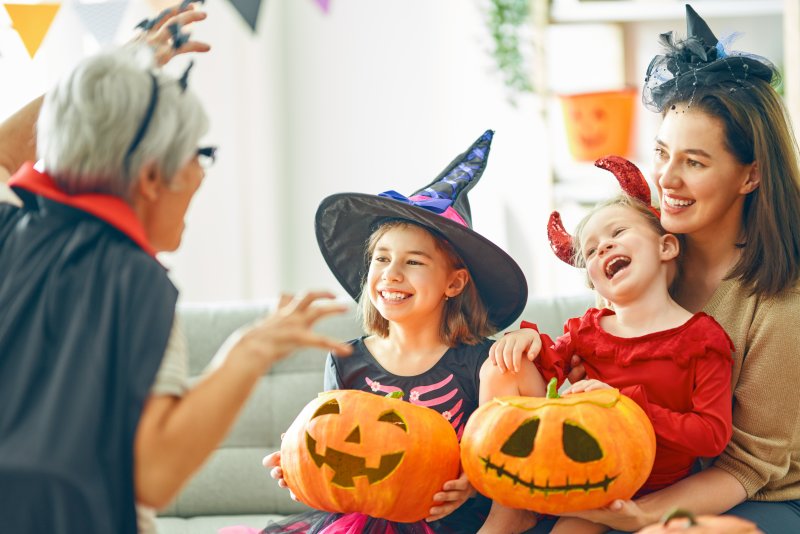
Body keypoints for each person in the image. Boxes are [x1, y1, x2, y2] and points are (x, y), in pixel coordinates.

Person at [0, 9, 352, 534]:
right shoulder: (140, 287)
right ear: (148, 177)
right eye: (198, 156)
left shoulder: (10, 225)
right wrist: (249, 351)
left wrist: (123, 68)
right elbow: (154, 474)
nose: (199, 176)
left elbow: (9, 148)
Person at [529, 5, 800, 533]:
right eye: (661, 153)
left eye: (694, 162)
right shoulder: (646, 254)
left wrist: (640, 517)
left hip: (763, 497)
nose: (667, 179)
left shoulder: (780, 304)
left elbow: (749, 465)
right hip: (638, 473)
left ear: (751, 176)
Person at [256, 130, 529, 534]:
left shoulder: (484, 365)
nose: (392, 274)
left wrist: (472, 487)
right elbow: (337, 460)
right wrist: (301, 469)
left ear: (453, 284)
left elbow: (503, 470)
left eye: (414, 262)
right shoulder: (345, 359)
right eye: (381, 258)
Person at [477, 156, 735, 534]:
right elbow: (541, 372)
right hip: (587, 476)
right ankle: (510, 504)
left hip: (660, 489)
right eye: (593, 250)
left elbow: (711, 436)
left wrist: (624, 403)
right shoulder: (587, 332)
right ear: (594, 282)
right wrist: (526, 339)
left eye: (617, 233)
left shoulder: (702, 339)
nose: (604, 249)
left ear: (666, 247)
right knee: (505, 365)